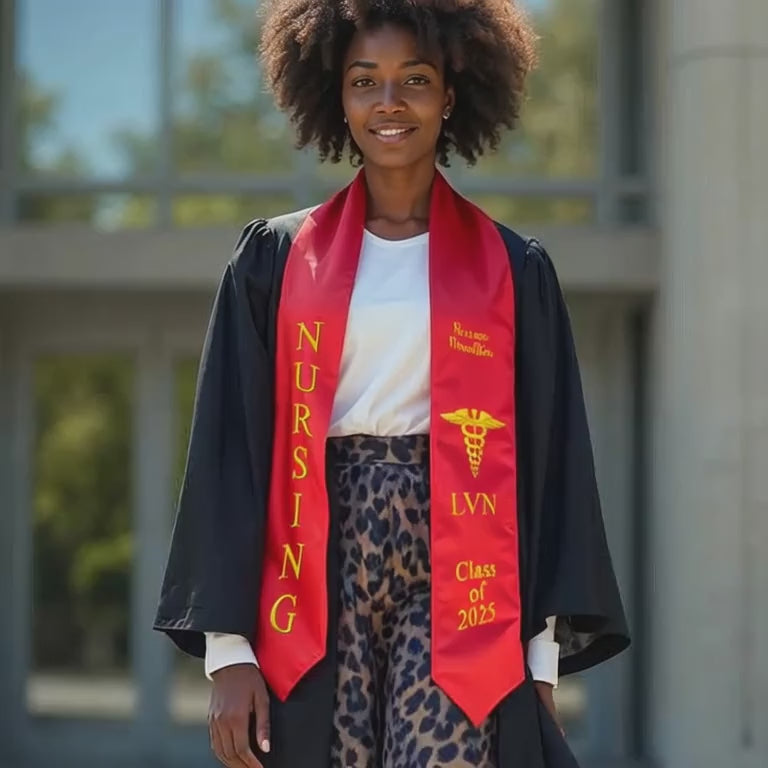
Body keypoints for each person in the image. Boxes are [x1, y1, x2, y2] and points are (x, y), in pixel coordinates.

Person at [154, 1, 630, 766]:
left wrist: (537, 664)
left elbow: (549, 464)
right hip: (315, 553)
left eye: (415, 79)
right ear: (335, 98)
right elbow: (230, 450)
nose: (389, 103)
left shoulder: (514, 270)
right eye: (363, 81)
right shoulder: (276, 259)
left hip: (461, 554)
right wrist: (228, 650)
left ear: (451, 92)